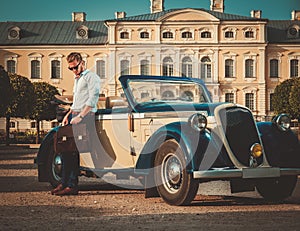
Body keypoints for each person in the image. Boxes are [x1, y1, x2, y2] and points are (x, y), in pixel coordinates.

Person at [51, 52, 100, 196]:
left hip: (84, 116)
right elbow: (77, 100)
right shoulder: (78, 79)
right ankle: (64, 182)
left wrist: (80, 116)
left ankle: (72, 185)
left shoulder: (92, 77)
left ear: (82, 63)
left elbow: (93, 99)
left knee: (73, 151)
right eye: (70, 68)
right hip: (74, 114)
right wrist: (68, 114)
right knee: (65, 149)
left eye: (75, 67)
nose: (73, 71)